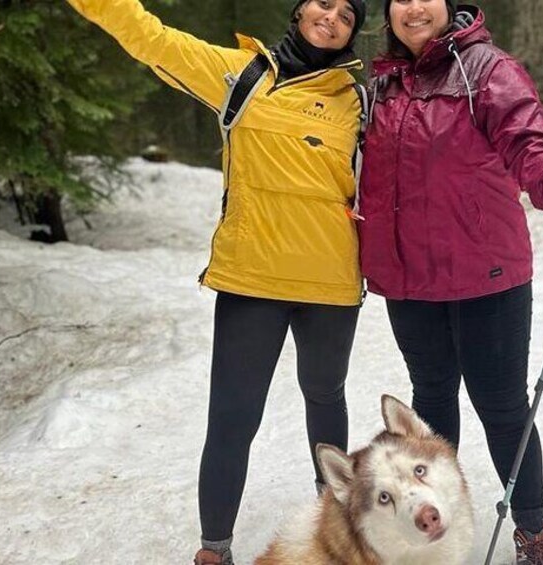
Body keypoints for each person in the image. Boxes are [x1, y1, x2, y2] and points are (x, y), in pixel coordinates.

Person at [63, 1, 367, 563]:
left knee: (325, 399)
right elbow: (150, 37)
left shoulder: (360, 101)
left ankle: (338, 535)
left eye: (348, 14)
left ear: (354, 31)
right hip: (252, 279)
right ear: (300, 10)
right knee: (233, 413)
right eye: (323, 3)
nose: (332, 17)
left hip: (330, 285)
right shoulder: (240, 74)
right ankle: (214, 549)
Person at [358, 2, 543, 564]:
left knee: (501, 407)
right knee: (430, 409)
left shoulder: (487, 70)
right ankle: (436, 527)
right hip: (411, 282)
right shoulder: (381, 87)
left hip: (486, 276)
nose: (413, 7)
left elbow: (529, 138)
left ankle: (531, 531)